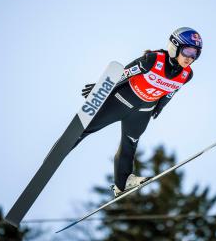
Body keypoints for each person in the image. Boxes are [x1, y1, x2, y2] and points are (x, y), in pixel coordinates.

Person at [75, 27, 203, 197]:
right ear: (175, 47)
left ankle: (123, 182)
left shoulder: (187, 74)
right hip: (121, 101)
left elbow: (171, 92)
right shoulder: (153, 59)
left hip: (143, 111)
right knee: (84, 129)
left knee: (130, 144)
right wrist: (101, 88)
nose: (190, 57)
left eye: (195, 54)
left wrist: (159, 108)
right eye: (187, 51)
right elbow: (125, 73)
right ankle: (64, 147)